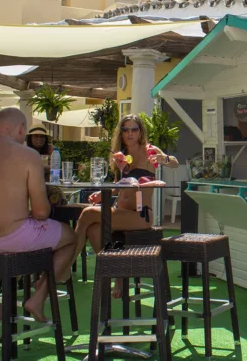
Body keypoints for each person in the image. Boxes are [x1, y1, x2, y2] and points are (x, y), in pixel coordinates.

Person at [0, 108, 76, 323]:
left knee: (4, 233)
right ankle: (38, 297)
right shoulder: (28, 155)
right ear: (21, 130)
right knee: (71, 237)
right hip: (10, 238)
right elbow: (41, 212)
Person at [74, 114, 178, 296]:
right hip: (120, 211)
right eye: (125, 129)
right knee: (92, 230)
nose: (130, 133)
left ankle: (67, 263)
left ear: (140, 132)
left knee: (88, 214)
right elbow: (119, 186)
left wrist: (164, 159)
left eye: (134, 129)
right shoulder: (121, 156)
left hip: (140, 215)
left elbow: (174, 163)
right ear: (121, 133)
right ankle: (119, 275)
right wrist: (103, 194)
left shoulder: (149, 151)